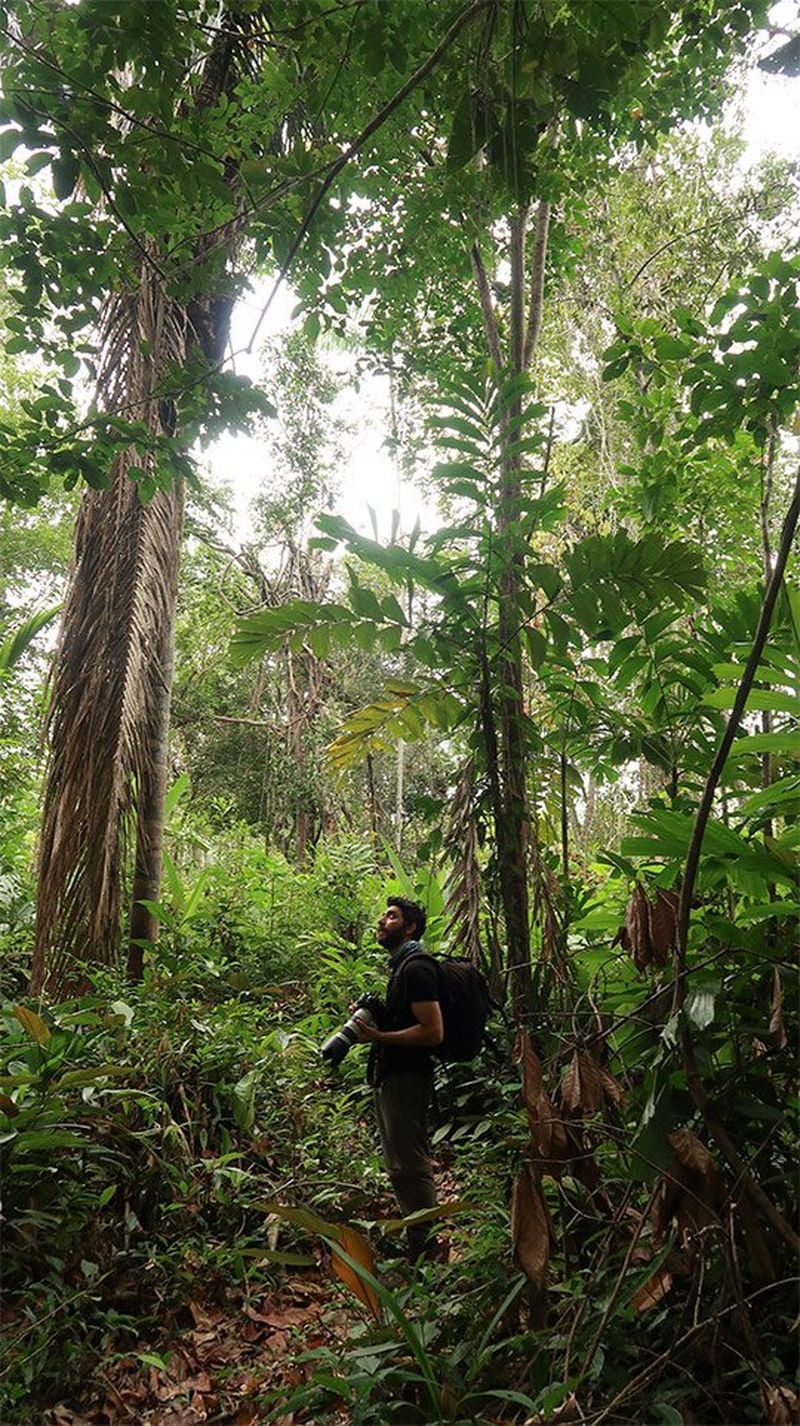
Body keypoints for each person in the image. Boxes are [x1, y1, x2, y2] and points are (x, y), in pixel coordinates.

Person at [355, 896, 443, 1262]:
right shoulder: (401, 967)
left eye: (391, 917)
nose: (382, 920)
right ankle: (418, 1243)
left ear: (409, 927)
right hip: (394, 1076)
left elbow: (433, 1032)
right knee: (399, 1164)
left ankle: (429, 1250)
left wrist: (380, 1038)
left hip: (407, 1078)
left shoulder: (416, 969)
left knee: (410, 1163)